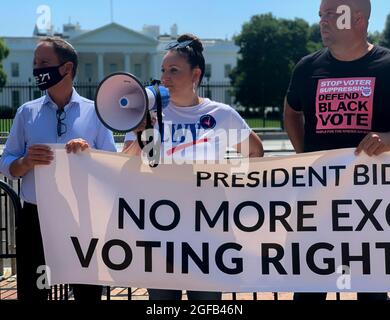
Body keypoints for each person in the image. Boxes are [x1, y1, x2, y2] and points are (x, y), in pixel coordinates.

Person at [123, 33, 264, 300]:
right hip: (160, 230)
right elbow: (125, 164)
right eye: (163, 70)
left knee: (207, 303)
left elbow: (255, 152)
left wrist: (231, 183)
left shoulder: (220, 115)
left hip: (207, 231)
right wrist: (141, 132)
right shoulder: (146, 115)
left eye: (174, 71)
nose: (165, 77)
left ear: (195, 74)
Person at [284, 0, 389, 301]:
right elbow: (292, 112)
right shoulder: (307, 68)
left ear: (358, 18)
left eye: (331, 14)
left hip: (371, 210)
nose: (322, 21)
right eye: (321, 15)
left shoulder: (387, 65)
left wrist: (388, 138)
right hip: (318, 204)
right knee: (309, 290)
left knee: (370, 292)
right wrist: (306, 154)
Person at [0, 37, 117, 301]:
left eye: (43, 63)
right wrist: (25, 162)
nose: (37, 70)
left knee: (87, 293)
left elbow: (113, 164)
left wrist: (90, 154)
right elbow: (6, 163)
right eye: (35, 63)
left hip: (83, 217)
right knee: (34, 291)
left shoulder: (96, 113)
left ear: (66, 68)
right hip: (36, 218)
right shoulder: (26, 113)